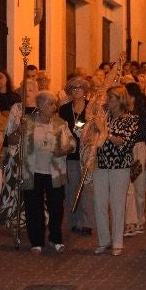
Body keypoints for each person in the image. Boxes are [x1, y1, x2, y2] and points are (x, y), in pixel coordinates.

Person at [8, 90, 74, 253]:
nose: (54, 107)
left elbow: (72, 143)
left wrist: (65, 149)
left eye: (54, 103)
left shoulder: (60, 123)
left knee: (56, 207)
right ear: (39, 106)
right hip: (32, 171)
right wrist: (18, 131)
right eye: (50, 104)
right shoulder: (27, 121)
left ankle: (55, 238)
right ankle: (36, 241)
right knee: (33, 207)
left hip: (55, 171)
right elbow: (12, 141)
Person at [92, 86, 138, 257]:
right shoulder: (104, 118)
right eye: (108, 97)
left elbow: (124, 143)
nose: (108, 101)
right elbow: (94, 138)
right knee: (99, 203)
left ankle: (117, 242)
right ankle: (104, 240)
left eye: (111, 98)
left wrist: (106, 133)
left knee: (118, 204)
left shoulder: (131, 120)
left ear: (120, 100)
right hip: (101, 165)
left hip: (120, 166)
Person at [59, 76, 94, 235]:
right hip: (71, 154)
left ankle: (86, 223)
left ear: (85, 91)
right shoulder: (64, 110)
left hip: (87, 152)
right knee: (71, 188)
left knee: (87, 189)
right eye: (73, 88)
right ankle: (74, 221)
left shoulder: (91, 108)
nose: (76, 90)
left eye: (80, 88)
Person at [123, 82, 146, 235]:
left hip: (140, 149)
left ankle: (140, 219)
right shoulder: (121, 113)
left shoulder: (143, 113)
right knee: (128, 188)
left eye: (127, 95)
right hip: (125, 150)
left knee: (139, 186)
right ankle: (130, 221)